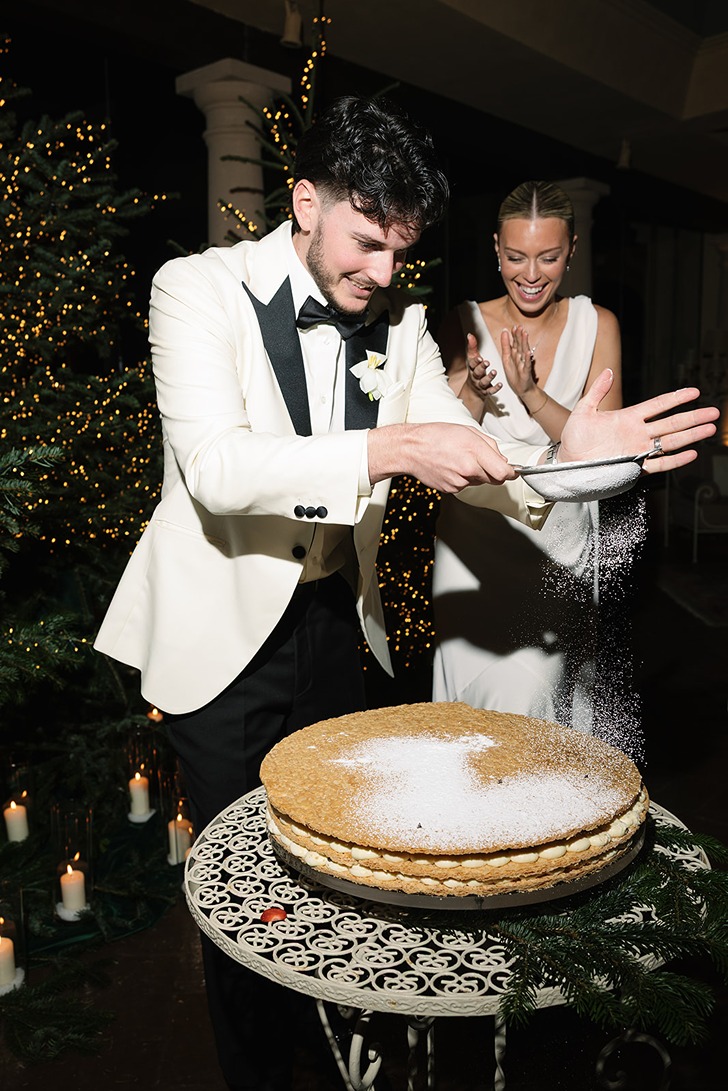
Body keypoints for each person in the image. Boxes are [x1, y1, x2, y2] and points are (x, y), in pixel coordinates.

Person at [93, 97, 716, 1091]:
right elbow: (213, 467)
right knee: (252, 895)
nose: (382, 274)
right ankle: (262, 1069)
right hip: (219, 638)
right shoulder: (194, 289)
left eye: (401, 251)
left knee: (353, 867)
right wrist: (386, 448)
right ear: (304, 201)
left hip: (336, 625)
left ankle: (346, 1056)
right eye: (365, 242)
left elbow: (466, 453)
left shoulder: (400, 322)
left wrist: (565, 462)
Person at [432, 180, 624, 732]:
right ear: (495, 248)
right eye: (515, 257)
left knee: (537, 721)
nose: (531, 274)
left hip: (558, 553)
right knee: (473, 730)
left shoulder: (598, 325)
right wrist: (472, 386)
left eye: (549, 256)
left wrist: (531, 395)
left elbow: (602, 454)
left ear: (573, 250)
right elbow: (445, 442)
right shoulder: (463, 323)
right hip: (475, 546)